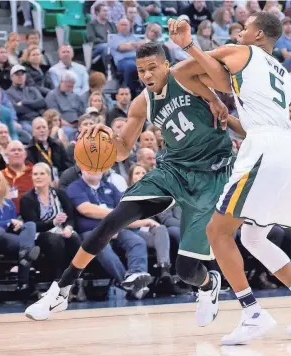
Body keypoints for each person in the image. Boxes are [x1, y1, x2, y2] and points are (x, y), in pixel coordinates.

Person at [25, 42, 235, 327]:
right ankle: (61, 290)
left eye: (152, 68)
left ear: (165, 65)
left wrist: (217, 99)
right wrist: (108, 137)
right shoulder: (142, 102)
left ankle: (209, 285)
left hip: (210, 175)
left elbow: (222, 74)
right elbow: (123, 150)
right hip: (172, 169)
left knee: (186, 270)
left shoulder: (184, 75)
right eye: (140, 70)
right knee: (112, 221)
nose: (147, 75)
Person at [167, 12, 291, 345]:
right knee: (254, 238)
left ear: (258, 35)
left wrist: (188, 48)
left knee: (216, 231)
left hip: (266, 150)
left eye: (245, 28)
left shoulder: (239, 51)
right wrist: (220, 100)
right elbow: (232, 94)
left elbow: (182, 73)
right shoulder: (282, 72)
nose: (240, 31)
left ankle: (252, 312)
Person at [20, 163, 83, 294]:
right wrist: (53, 222)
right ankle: (58, 280)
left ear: (49, 177)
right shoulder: (27, 199)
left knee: (75, 238)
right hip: (40, 234)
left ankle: (74, 279)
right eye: (35, 174)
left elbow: (70, 216)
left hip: (61, 230)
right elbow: (32, 225)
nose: (38, 177)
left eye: (42, 174)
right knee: (55, 239)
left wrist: (68, 228)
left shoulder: (60, 194)